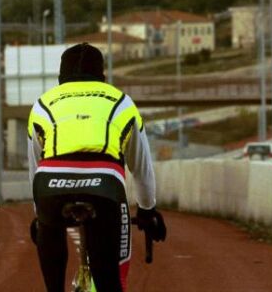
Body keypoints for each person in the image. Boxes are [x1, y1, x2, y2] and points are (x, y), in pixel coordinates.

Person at [27, 43, 167, 292]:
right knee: (108, 279)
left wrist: (40, 216)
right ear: (102, 77)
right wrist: (147, 210)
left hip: (50, 182)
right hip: (104, 183)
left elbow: (35, 169)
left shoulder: (42, 104)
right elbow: (141, 168)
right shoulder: (122, 102)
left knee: (49, 229)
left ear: (61, 78)